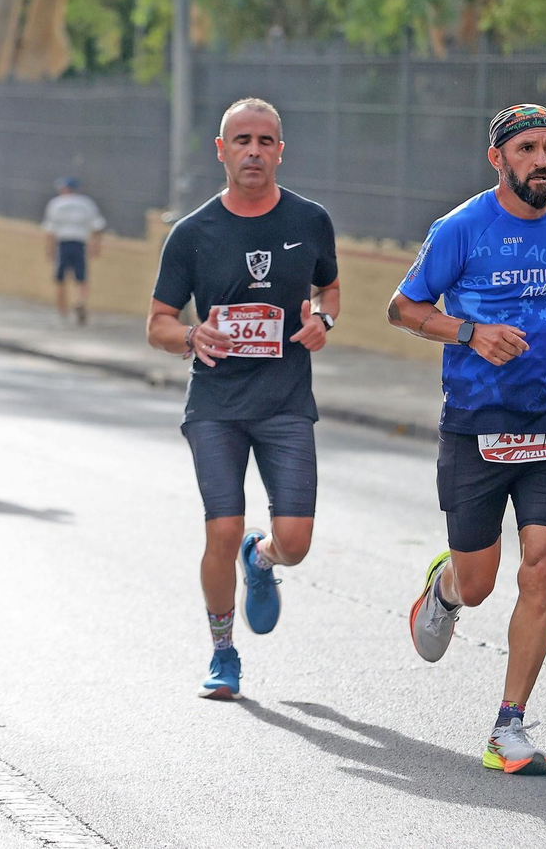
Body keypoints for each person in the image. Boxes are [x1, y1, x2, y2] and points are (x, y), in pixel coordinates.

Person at [388, 104, 546, 775]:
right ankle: (445, 590)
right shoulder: (461, 228)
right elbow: (402, 308)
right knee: (480, 580)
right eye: (528, 148)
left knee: (543, 562)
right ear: (499, 158)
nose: (543, 160)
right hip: (475, 427)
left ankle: (509, 727)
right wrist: (469, 332)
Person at [146, 98, 341, 701]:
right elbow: (157, 323)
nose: (253, 151)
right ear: (222, 149)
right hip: (216, 406)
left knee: (297, 542)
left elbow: (328, 289)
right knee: (222, 526)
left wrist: (324, 323)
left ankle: (263, 559)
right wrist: (190, 334)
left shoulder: (309, 221)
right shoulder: (193, 233)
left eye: (265, 141)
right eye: (241, 141)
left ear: (281, 150)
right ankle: (223, 653)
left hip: (285, 402)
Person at [41, 177, 105, 326]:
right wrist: (96, 246)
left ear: (63, 189)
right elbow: (97, 226)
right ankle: (80, 300)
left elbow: (50, 230)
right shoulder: (86, 203)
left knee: (60, 280)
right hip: (80, 243)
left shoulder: (56, 204)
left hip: (62, 243)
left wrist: (49, 249)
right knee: (82, 278)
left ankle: (62, 311)